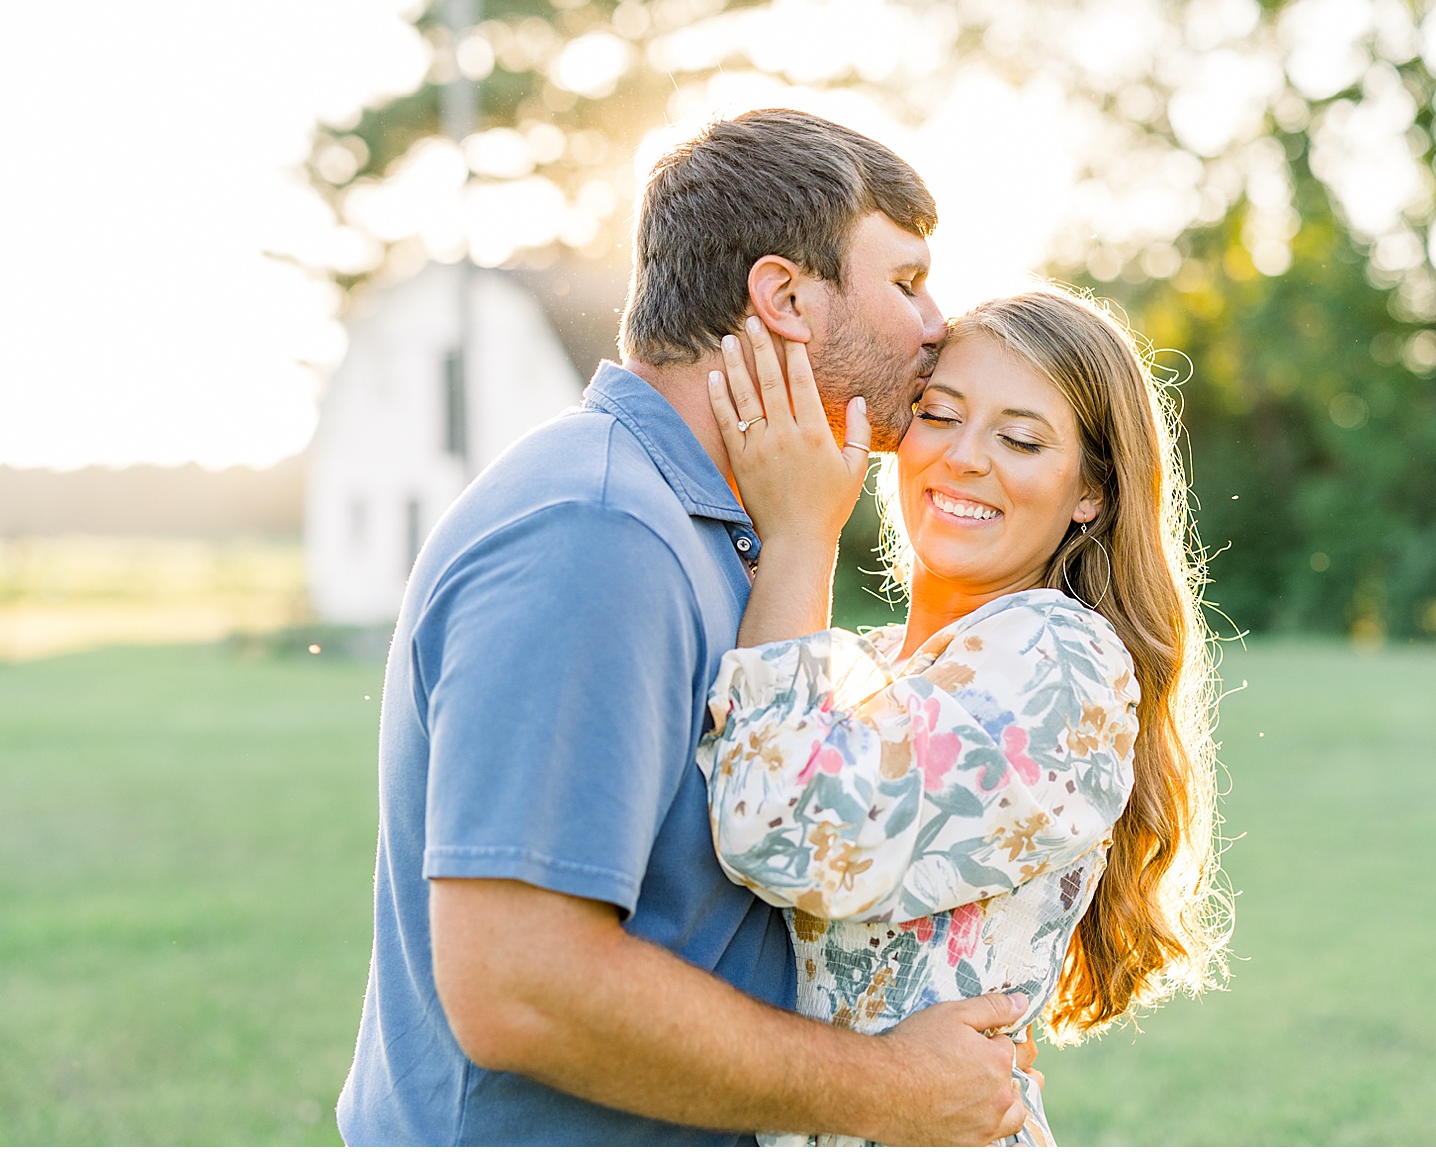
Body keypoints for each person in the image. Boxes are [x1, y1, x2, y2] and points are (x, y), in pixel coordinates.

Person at [335, 108, 1036, 1146]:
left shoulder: (716, 530)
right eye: (905, 281)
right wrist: (893, 1088)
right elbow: (517, 984)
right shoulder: (599, 529)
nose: (938, 322)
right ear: (785, 297)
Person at [697, 288, 1232, 1145]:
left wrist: (800, 533)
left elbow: (783, 828)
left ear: (1089, 490)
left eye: (1021, 438)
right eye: (939, 415)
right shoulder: (863, 665)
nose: (966, 458)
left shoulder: (1063, 666)